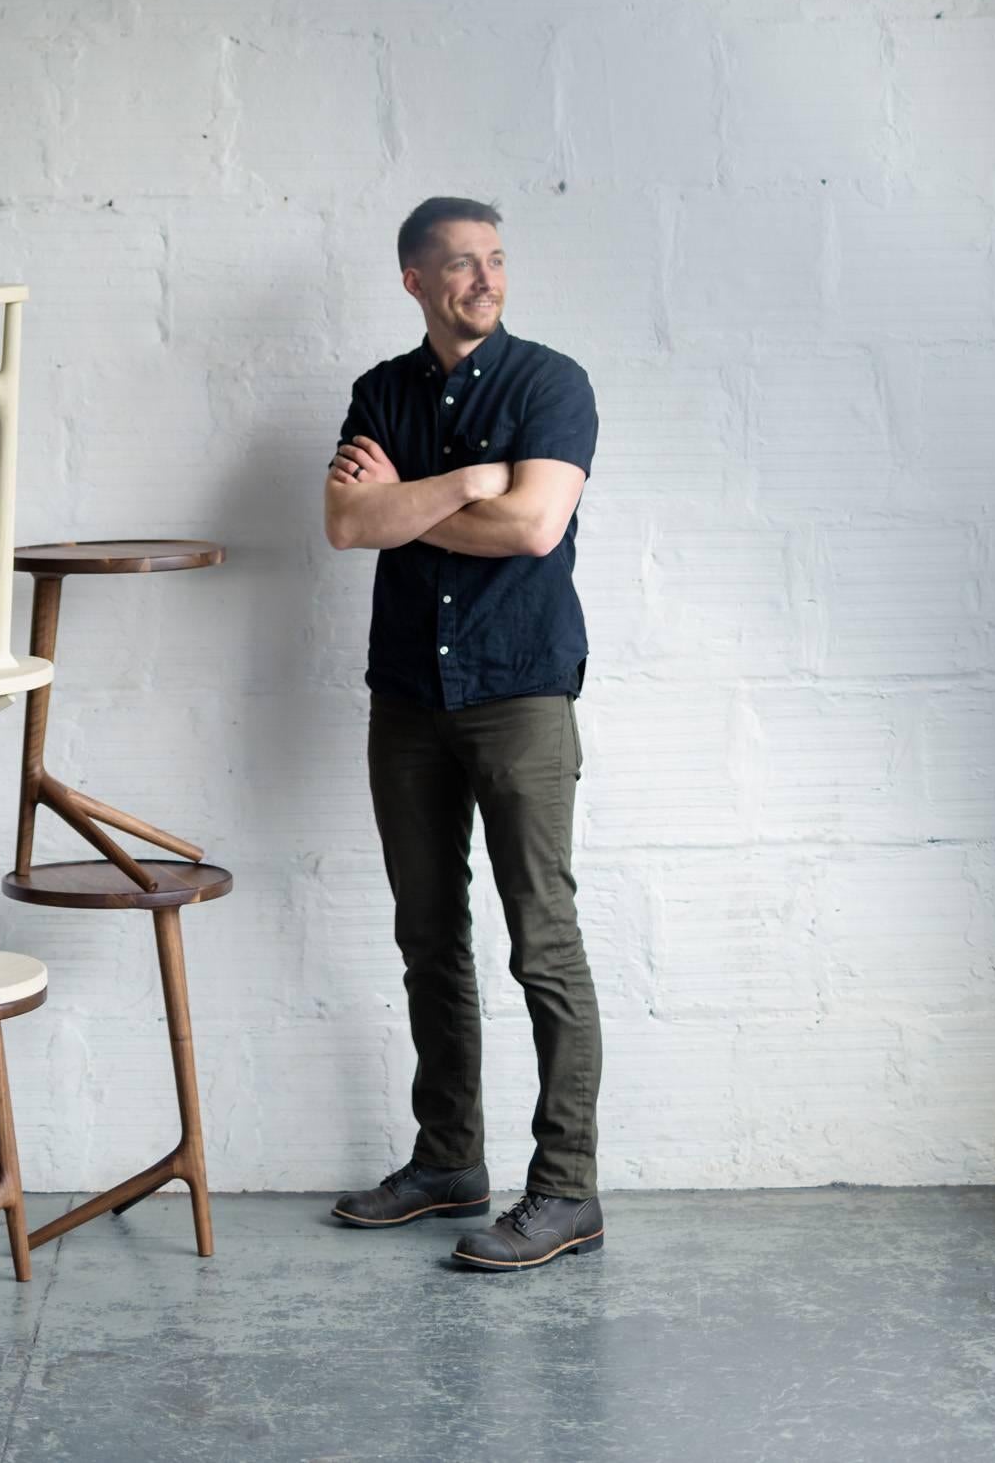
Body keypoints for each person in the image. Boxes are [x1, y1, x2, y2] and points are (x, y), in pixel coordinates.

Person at [325, 197, 604, 1271]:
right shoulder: (379, 391)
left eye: (494, 259)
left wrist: (411, 499)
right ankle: (449, 1160)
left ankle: (567, 1190)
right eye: (457, 265)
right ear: (412, 279)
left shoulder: (551, 384)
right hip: (405, 701)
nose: (482, 279)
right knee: (426, 934)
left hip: (520, 695)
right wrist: (467, 483)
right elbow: (347, 521)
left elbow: (536, 524)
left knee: (542, 943)